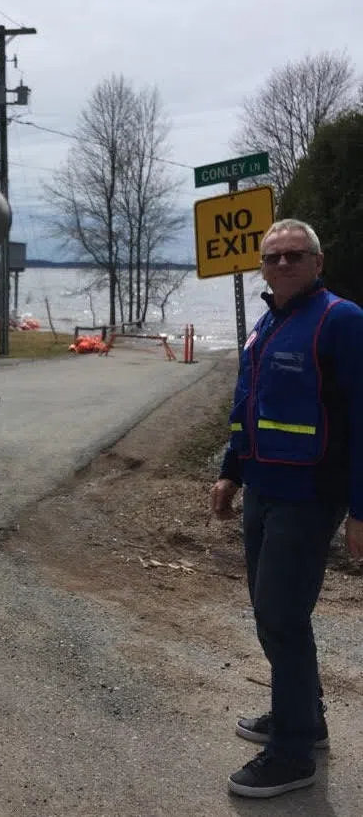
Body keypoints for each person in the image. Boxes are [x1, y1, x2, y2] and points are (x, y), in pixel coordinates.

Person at [210, 218, 363, 799]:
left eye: (293, 256)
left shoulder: (341, 321)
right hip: (263, 490)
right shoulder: (270, 323)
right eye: (271, 258)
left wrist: (360, 510)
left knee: (281, 615)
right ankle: (303, 716)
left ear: (317, 263)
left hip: (309, 496)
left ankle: (293, 754)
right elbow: (249, 403)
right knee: (268, 610)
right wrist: (230, 470)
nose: (281, 266)